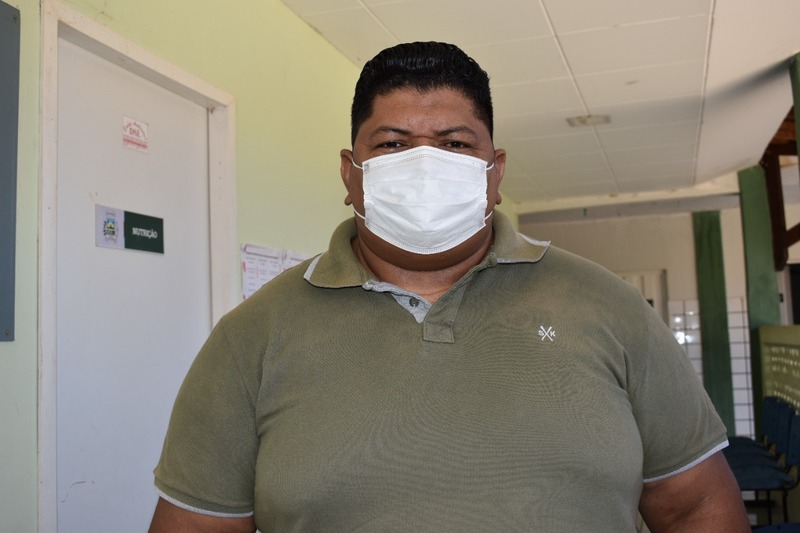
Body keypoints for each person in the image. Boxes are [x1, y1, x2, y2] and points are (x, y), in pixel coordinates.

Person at [149, 42, 750, 532]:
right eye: (393, 144)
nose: (424, 166)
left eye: (455, 144)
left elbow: (696, 507)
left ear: (495, 173)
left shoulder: (608, 306)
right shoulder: (251, 337)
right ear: (351, 174)